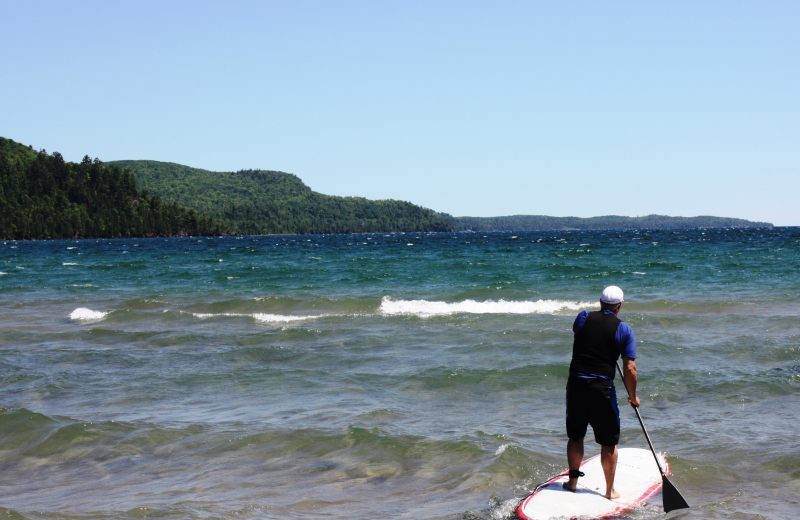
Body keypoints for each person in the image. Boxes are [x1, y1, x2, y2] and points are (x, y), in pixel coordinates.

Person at [564, 285, 639, 499]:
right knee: (608, 443)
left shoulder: (583, 317)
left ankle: (572, 483)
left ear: (600, 302)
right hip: (601, 390)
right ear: (619, 306)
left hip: (576, 386)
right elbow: (630, 368)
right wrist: (633, 397)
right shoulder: (623, 329)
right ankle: (609, 491)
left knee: (576, 436)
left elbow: (584, 336)